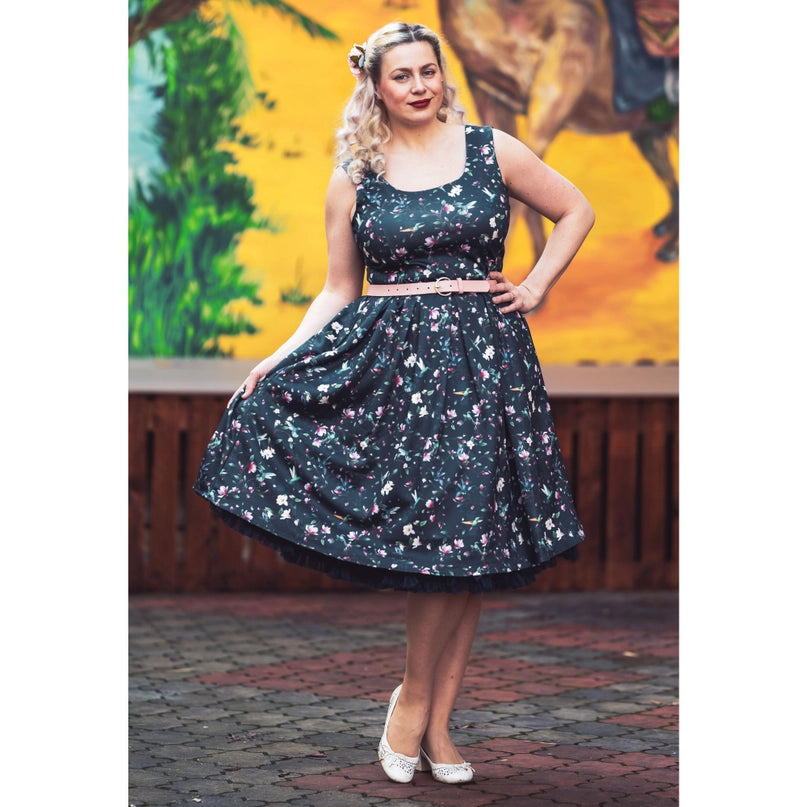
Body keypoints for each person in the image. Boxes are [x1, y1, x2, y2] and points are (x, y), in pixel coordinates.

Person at [194, 21, 595, 786]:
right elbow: (338, 289)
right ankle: (414, 701)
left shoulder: (492, 149)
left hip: (486, 366)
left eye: (428, 71)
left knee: (471, 544)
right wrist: (276, 358)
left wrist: (536, 285)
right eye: (401, 75)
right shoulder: (356, 173)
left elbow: (575, 209)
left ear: (443, 75)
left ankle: (432, 718)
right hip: (400, 378)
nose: (418, 85)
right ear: (374, 87)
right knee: (440, 544)